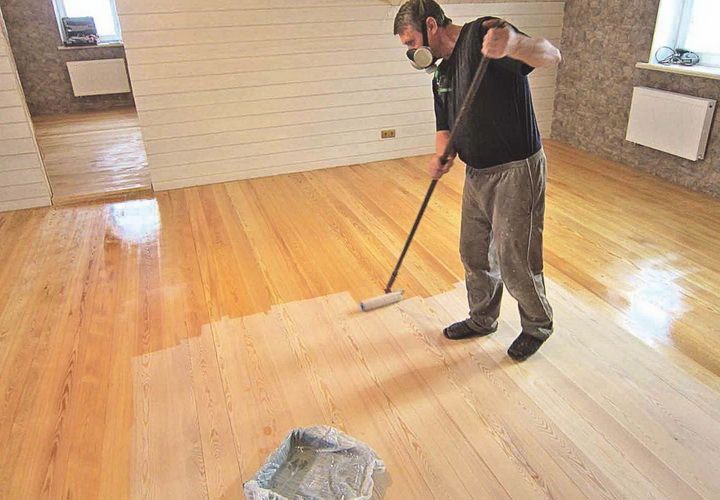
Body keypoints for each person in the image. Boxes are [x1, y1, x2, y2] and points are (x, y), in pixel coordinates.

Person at [394, 0, 562, 361]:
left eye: (411, 42)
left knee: (514, 255)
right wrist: (442, 153)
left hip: (516, 169)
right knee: (473, 251)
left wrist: (514, 45)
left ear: (431, 26)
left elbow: (552, 56)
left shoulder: (484, 36)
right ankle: (482, 318)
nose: (411, 52)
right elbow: (445, 126)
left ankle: (537, 325)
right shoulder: (440, 74)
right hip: (477, 173)